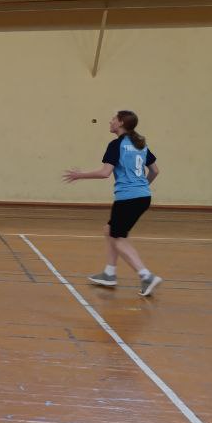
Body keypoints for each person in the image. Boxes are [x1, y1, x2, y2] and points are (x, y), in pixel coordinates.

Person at [62, 110, 162, 297]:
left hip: (127, 199)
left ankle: (146, 275)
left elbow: (105, 173)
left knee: (118, 238)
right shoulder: (140, 144)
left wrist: (80, 175)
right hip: (143, 197)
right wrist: (142, 187)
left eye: (113, 119)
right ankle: (109, 273)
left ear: (121, 122)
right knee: (110, 230)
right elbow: (155, 170)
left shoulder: (117, 145)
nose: (110, 121)